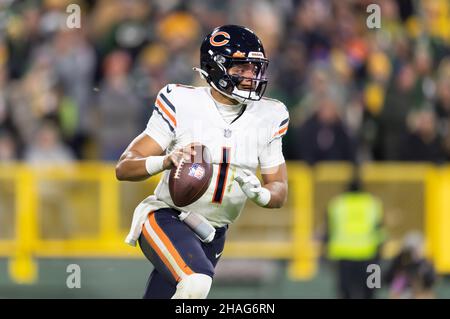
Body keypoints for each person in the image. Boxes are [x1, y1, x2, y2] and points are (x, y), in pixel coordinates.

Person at [115, 25, 289, 299]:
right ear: (216, 67)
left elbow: (279, 189)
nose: (250, 76)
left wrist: (262, 194)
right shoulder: (182, 101)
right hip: (167, 217)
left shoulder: (271, 114)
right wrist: (165, 161)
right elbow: (125, 166)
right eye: (241, 68)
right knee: (196, 282)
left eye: (254, 68)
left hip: (213, 235)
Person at [323, 176, 385, 299]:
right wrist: (380, 252)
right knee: (371, 291)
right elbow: (381, 230)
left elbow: (328, 231)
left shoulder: (337, 204)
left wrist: (326, 251)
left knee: (345, 293)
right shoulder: (373, 203)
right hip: (370, 256)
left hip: (344, 256)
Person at [384, 231, 436, 299]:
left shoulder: (425, 263)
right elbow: (393, 284)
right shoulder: (400, 262)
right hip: (404, 291)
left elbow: (430, 282)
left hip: (420, 292)